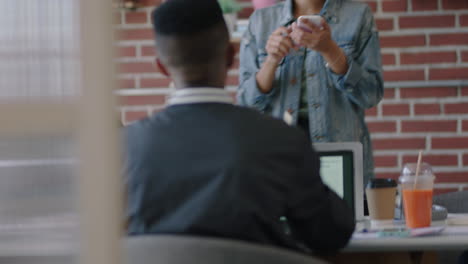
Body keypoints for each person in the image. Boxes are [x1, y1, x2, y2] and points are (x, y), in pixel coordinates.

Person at [124, 0, 354, 255]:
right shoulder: (282, 140)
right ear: (230, 56)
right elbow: (332, 233)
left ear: (161, 67)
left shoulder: (122, 147)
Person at [237, 0, 384, 186]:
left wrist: (330, 50)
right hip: (276, 159)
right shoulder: (261, 21)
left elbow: (371, 94)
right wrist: (271, 60)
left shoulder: (358, 16)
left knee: (339, 215)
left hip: (339, 159)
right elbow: (246, 104)